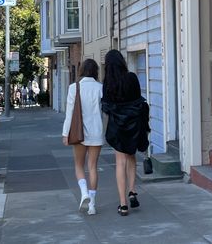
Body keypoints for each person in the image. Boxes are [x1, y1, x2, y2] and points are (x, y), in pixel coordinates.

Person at [102, 49, 150, 216]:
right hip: (133, 125)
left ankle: (123, 204)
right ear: (122, 62)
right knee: (131, 157)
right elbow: (139, 101)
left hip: (117, 126)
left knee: (120, 162)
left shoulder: (107, 83)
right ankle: (132, 190)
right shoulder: (132, 78)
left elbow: (106, 108)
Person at [62, 59, 104, 215]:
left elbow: (69, 113)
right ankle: (92, 204)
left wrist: (65, 134)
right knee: (92, 167)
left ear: (81, 70)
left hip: (79, 133)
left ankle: (84, 192)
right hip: (96, 132)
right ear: (95, 71)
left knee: (79, 165)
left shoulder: (74, 88)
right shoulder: (101, 88)